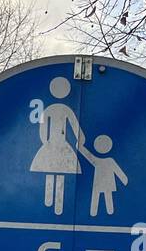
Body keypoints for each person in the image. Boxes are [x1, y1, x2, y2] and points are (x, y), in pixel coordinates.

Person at [30, 76, 83, 216]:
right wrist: (80, 139)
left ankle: (56, 204)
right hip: (57, 143)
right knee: (56, 171)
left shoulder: (55, 109)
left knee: (57, 172)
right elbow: (74, 127)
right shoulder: (57, 109)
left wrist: (45, 142)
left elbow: (73, 125)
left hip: (55, 143)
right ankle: (52, 203)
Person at [78, 134, 127, 216]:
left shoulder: (104, 161)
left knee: (105, 196)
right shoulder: (106, 160)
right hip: (100, 182)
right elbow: (89, 156)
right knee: (101, 196)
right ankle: (96, 212)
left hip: (104, 182)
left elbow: (89, 156)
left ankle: (103, 212)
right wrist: (124, 180)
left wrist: (124, 179)